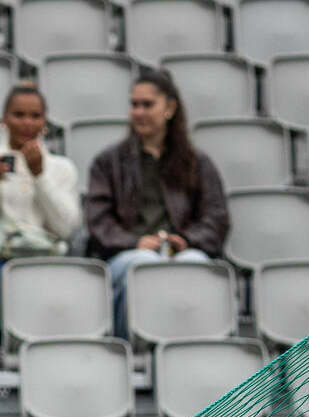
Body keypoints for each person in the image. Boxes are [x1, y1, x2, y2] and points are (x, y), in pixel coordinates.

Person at [86, 70, 229, 342]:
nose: (139, 112)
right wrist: (136, 242)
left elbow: (216, 219)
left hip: (180, 251)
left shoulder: (196, 163)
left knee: (197, 265)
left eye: (147, 105)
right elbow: (99, 222)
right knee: (142, 265)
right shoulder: (108, 162)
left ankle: (195, 346)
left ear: (170, 108)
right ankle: (130, 347)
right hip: (128, 253)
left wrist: (186, 240)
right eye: (134, 104)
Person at [0, 82, 82, 366]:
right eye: (18, 114)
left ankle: (54, 363)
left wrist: (40, 177)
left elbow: (67, 228)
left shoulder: (61, 168)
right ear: (3, 119)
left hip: (47, 256)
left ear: (45, 122)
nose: (26, 123)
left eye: (35, 116)